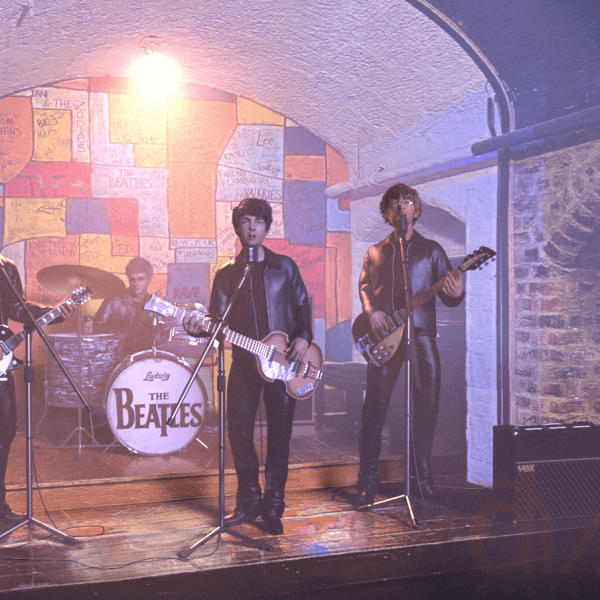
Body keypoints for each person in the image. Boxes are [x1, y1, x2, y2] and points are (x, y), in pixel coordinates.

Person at [184, 198, 312, 535]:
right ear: (237, 228)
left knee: (279, 438)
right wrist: (195, 325)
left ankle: (273, 506)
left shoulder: (286, 267)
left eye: (258, 221)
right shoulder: (227, 275)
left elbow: (301, 306)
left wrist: (303, 338)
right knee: (239, 434)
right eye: (245, 221)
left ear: (267, 227)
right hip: (243, 363)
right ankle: (248, 502)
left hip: (284, 365)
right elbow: (216, 320)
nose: (252, 227)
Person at [356, 183, 464, 507]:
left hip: (421, 335)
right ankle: (368, 480)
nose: (401, 208)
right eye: (395, 203)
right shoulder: (374, 251)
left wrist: (456, 294)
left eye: (407, 202)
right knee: (374, 409)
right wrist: (373, 312)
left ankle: (421, 479)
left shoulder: (432, 251)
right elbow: (364, 286)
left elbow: (449, 294)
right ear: (387, 213)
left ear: (415, 210)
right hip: (384, 337)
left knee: (427, 407)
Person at [0, 255, 74, 523]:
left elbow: (17, 309)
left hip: (1, 363)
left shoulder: (5, 266)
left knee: (5, 429)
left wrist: (51, 312)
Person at [93, 257, 154, 362]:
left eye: (141, 279)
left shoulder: (154, 306)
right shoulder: (114, 300)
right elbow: (97, 330)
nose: (136, 284)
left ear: (149, 280)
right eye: (132, 279)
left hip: (143, 362)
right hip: (115, 360)